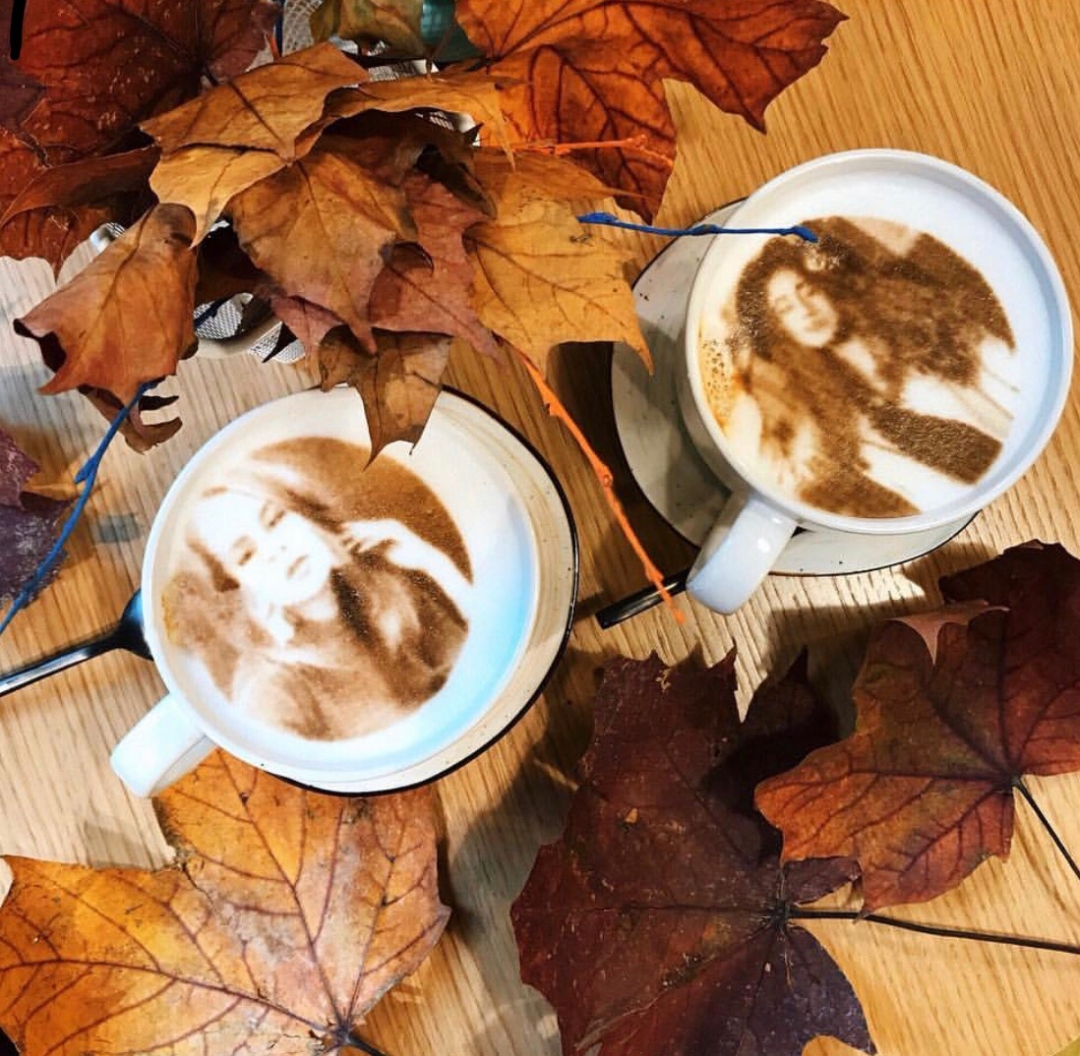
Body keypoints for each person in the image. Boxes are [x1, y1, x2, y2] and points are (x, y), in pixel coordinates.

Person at [162, 437, 472, 741]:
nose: (275, 549)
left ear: (304, 515)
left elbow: (482, 672)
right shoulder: (270, 689)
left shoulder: (388, 592)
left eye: (276, 519)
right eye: (246, 555)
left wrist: (435, 564)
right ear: (238, 586)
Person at [719, 216, 1019, 517]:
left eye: (808, 291)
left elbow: (1016, 410)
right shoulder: (845, 418)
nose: (806, 311)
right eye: (785, 308)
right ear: (782, 330)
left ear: (830, 285)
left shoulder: (938, 335)